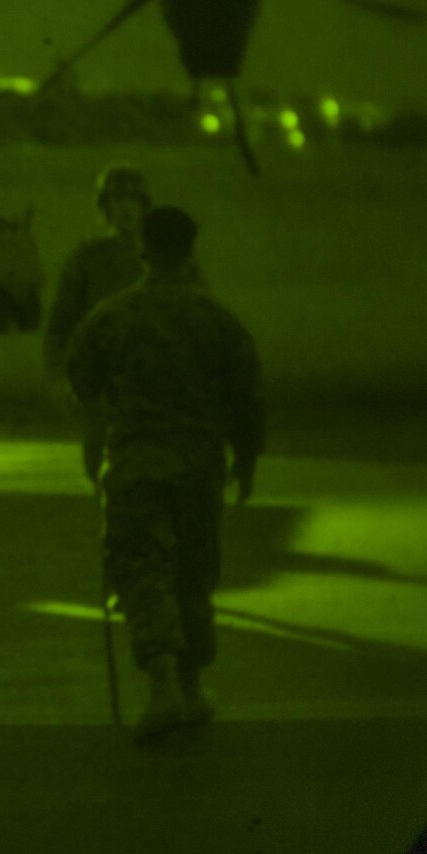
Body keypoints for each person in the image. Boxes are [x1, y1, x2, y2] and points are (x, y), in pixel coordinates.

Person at [65, 206, 263, 745]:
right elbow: (247, 394)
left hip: (135, 463)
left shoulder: (112, 316)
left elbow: (82, 378)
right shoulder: (217, 319)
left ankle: (162, 687)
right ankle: (193, 687)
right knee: (194, 573)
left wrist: (96, 436)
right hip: (199, 466)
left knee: (140, 569)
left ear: (143, 250)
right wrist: (246, 458)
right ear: (192, 251)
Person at [45, 164, 152, 483]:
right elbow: (61, 324)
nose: (125, 208)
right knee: (100, 460)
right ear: (104, 207)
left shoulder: (165, 255)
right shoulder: (87, 258)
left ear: (144, 205)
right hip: (102, 375)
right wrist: (59, 377)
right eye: (116, 200)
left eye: (132, 200)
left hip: (153, 373)